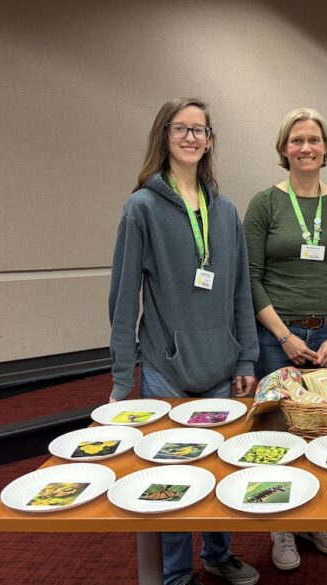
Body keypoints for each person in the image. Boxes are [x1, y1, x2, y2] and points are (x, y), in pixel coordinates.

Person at [108, 97, 260, 585]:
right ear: (164, 135)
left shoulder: (227, 209)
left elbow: (239, 289)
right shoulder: (142, 207)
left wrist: (247, 357)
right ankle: (175, 573)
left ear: (210, 140)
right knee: (170, 474)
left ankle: (218, 552)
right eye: (182, 128)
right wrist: (120, 376)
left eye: (201, 130)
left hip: (220, 366)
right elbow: (123, 296)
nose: (192, 137)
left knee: (218, 468)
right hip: (164, 368)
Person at [242, 107, 327, 570]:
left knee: (324, 428)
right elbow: (251, 278)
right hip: (278, 335)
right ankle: (280, 524)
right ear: (283, 149)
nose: (306, 147)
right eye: (297, 140)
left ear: (326, 147)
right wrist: (284, 335)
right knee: (278, 431)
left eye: (314, 139)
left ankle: (317, 516)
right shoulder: (264, 204)